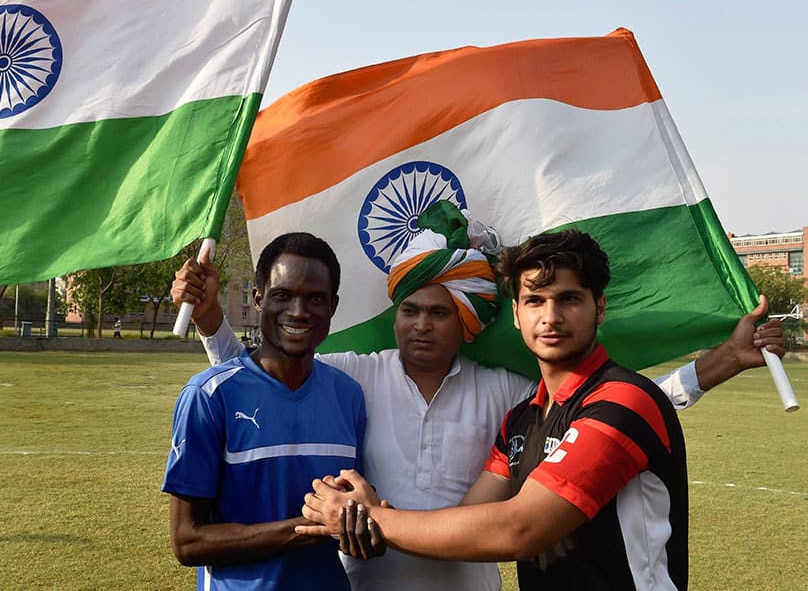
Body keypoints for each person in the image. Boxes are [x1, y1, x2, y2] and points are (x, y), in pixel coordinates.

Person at [172, 202, 785, 590]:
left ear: (468, 321)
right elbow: (262, 382)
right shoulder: (356, 376)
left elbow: (615, 414)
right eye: (409, 310)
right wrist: (208, 320)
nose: (420, 325)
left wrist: (718, 363)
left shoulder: (510, 395)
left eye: (439, 312)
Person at [299, 229, 710, 588]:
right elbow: (467, 521)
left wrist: (372, 518)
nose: (551, 317)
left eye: (568, 299)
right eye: (534, 300)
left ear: (599, 308)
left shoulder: (623, 399)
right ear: (516, 314)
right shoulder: (522, 418)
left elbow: (519, 529)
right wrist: (366, 522)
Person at [162, 232, 367, 591]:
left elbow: (350, 514)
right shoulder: (208, 395)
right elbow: (187, 541)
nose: (299, 312)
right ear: (259, 299)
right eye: (283, 295)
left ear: (333, 306)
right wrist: (306, 527)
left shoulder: (348, 395)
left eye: (315, 299)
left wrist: (363, 526)